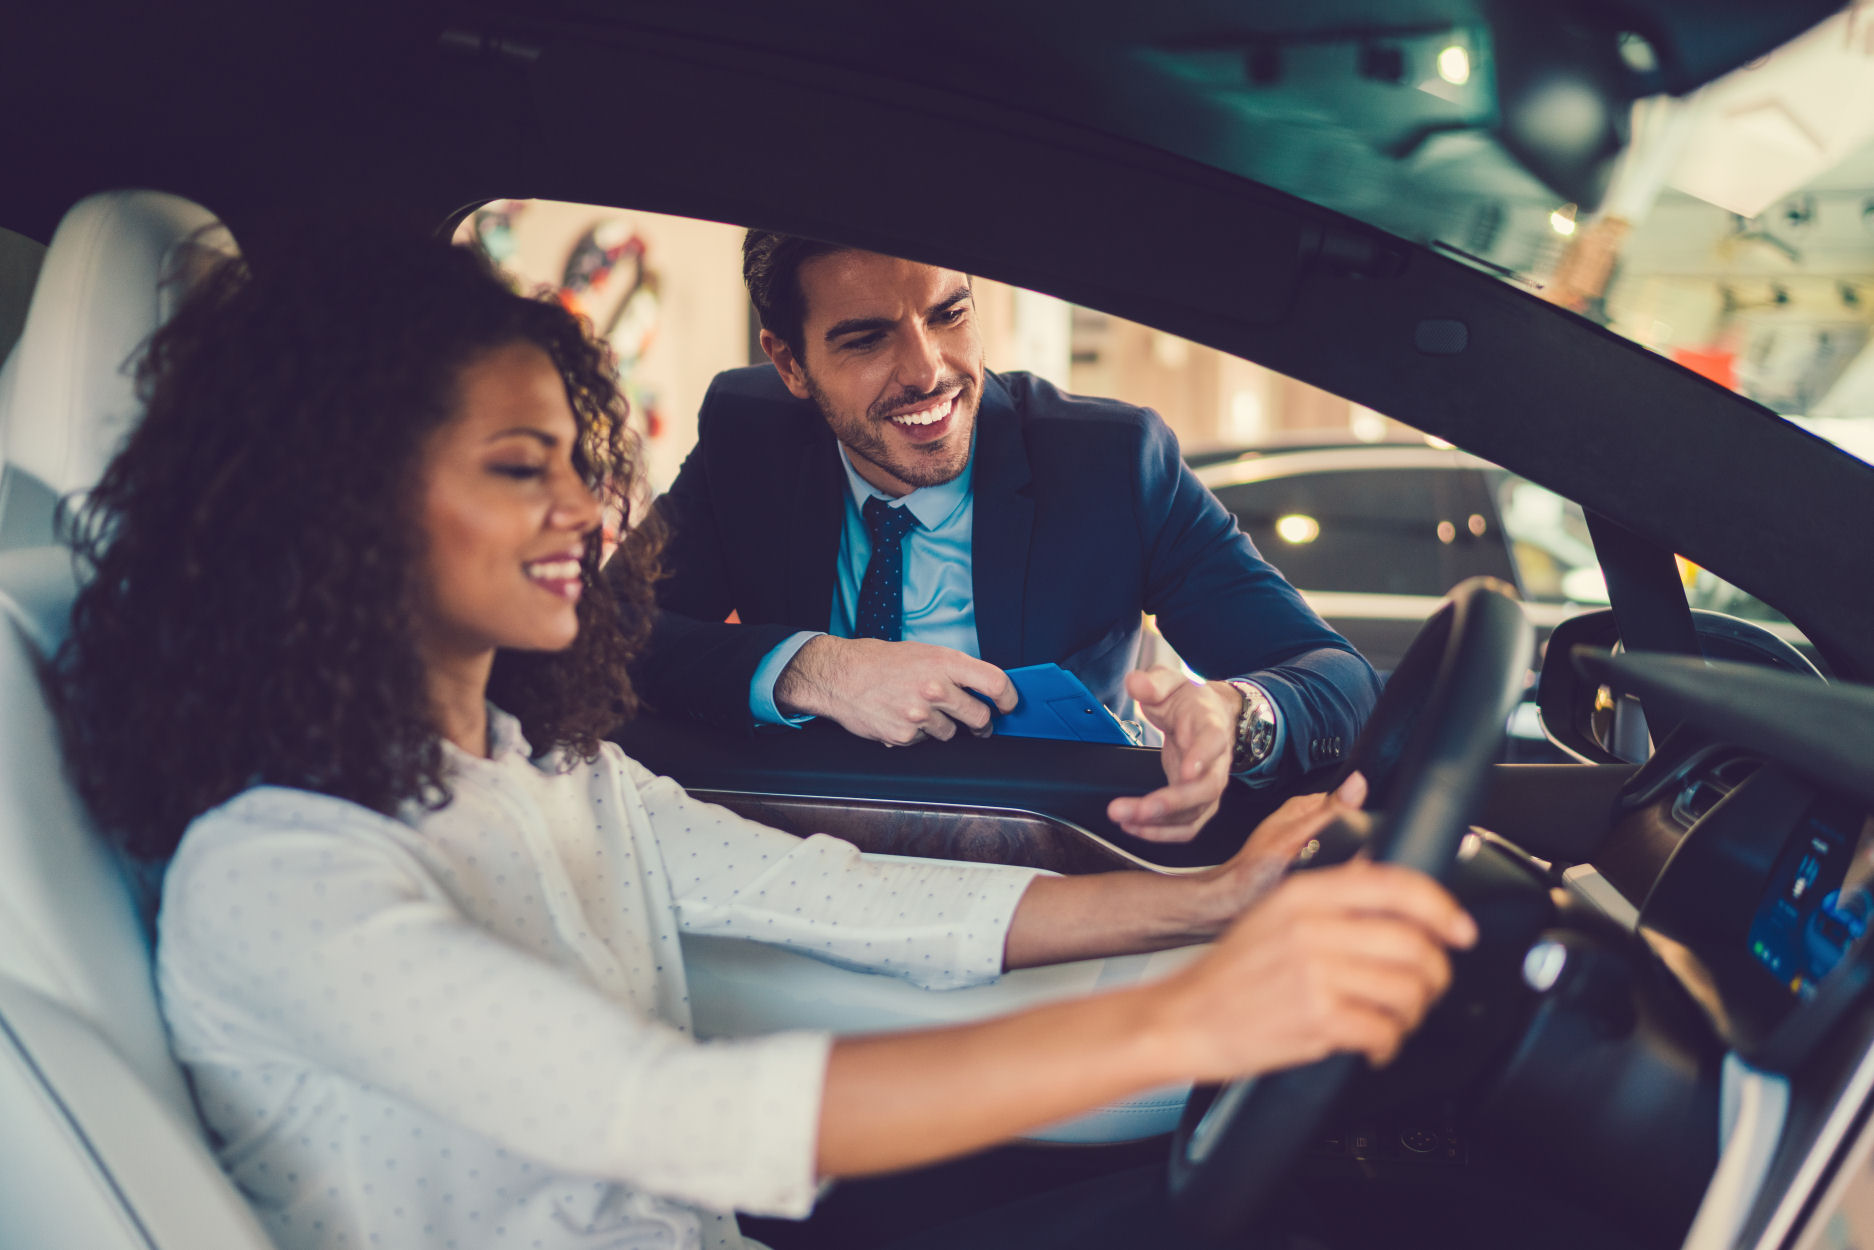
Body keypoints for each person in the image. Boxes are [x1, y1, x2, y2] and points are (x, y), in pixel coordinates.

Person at [54, 231, 1471, 1250]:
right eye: (514, 469)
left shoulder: (540, 766)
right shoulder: (278, 874)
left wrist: (1205, 898)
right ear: (337, 508)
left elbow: (832, 891)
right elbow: (659, 1106)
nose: (583, 515)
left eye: (574, 461)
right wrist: (1189, 1014)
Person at [629, 233, 1382, 844]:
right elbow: (609, 635)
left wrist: (1235, 717)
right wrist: (817, 670)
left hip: (1047, 861)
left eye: (949, 315)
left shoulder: (1111, 462)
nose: (928, 372)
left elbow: (1337, 678)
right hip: (799, 859)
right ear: (790, 363)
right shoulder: (745, 433)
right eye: (866, 341)